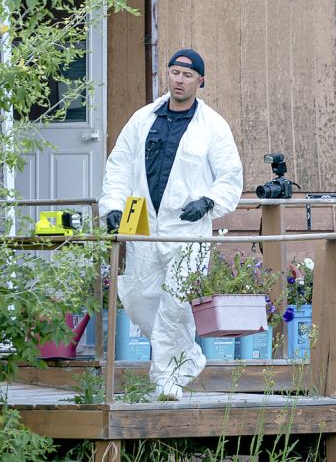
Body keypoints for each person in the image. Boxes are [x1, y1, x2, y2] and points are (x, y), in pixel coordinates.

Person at [99, 48, 243, 398]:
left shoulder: (213, 126)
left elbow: (230, 175)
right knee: (137, 297)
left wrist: (208, 201)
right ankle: (188, 355)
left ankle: (167, 379)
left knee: (176, 302)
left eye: (188, 75)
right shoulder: (142, 118)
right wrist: (113, 206)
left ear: (200, 81)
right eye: (175, 73)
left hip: (186, 227)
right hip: (141, 220)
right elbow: (119, 165)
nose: (179, 80)